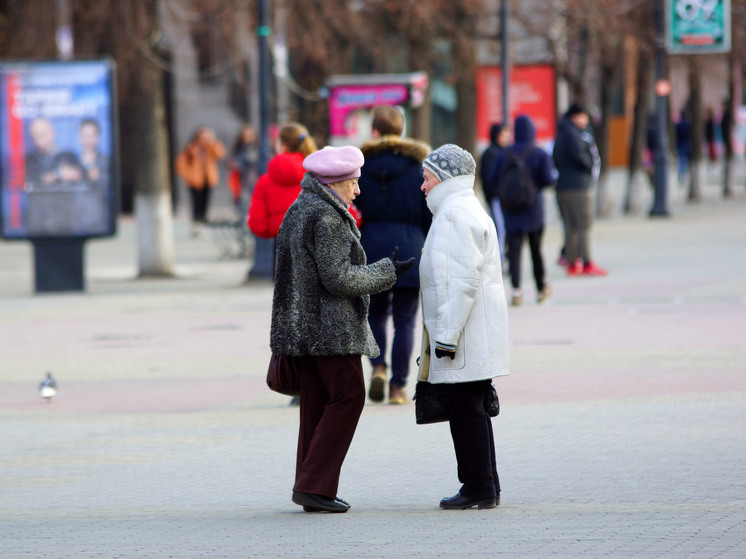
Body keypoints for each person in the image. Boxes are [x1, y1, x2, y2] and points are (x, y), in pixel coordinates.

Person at [271, 145, 414, 513]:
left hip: (302, 326)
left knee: (316, 407)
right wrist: (386, 272)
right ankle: (313, 485)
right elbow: (338, 279)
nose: (357, 190)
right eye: (353, 183)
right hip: (330, 328)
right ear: (335, 183)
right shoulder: (328, 217)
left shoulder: (300, 207)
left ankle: (311, 487)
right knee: (349, 396)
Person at [419, 144, 510, 510]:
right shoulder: (463, 208)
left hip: (464, 333)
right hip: (473, 330)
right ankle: (486, 484)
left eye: (426, 179)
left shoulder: (454, 214)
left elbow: (458, 282)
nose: (422, 187)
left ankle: (477, 486)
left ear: (442, 178)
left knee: (465, 410)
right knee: (473, 407)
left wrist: (445, 337)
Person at [356, 105, 431, 405]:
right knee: (405, 321)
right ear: (401, 130)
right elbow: (428, 214)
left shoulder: (360, 168)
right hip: (410, 249)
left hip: (371, 248)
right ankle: (399, 387)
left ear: (374, 130)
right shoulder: (417, 168)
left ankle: (378, 368)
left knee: (374, 314)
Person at [490, 115, 556, 306]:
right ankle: (541, 287)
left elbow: (493, 179)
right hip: (533, 209)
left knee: (514, 251)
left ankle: (517, 291)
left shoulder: (505, 154)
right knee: (536, 250)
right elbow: (549, 180)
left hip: (510, 210)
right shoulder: (540, 153)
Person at [552, 104, 607, 276]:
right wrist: (588, 165)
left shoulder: (561, 133)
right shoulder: (574, 135)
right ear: (575, 116)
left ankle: (572, 262)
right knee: (583, 225)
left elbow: (555, 158)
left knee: (570, 226)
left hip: (563, 185)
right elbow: (580, 156)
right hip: (578, 186)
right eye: (584, 116)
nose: (586, 121)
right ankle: (587, 262)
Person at [247, 122, 317, 240]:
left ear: (283, 146)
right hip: (315, 244)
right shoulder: (319, 174)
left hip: (281, 243)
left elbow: (258, 224)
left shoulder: (265, 181)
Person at [175, 126, 226, 236]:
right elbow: (180, 164)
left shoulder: (209, 147)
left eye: (205, 136)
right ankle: (195, 224)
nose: (203, 139)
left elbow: (220, 154)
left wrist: (213, 141)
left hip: (208, 179)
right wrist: (188, 176)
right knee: (196, 202)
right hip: (194, 181)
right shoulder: (190, 148)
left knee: (205, 203)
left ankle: (203, 222)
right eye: (201, 136)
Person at [480, 122, 511, 267]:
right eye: (503, 134)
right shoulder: (490, 153)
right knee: (500, 228)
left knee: (505, 228)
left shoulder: (507, 151)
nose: (506, 137)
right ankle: (499, 259)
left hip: (507, 198)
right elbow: (488, 179)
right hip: (497, 198)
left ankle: (504, 257)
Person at [25, 117, 83, 190]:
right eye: (36, 136)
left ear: (53, 133)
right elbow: (31, 181)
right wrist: (57, 174)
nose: (41, 140)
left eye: (43, 134)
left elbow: (78, 176)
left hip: (65, 199)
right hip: (40, 199)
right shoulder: (30, 160)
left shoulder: (68, 156)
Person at [229, 123, 258, 209]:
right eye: (245, 135)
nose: (247, 137)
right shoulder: (238, 146)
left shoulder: (256, 146)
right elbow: (230, 158)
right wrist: (232, 163)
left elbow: (253, 160)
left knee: (251, 199)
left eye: (249, 135)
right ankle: (243, 217)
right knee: (239, 199)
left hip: (253, 177)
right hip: (240, 177)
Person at [78, 119, 109, 190]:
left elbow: (104, 185)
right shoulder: (73, 160)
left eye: (91, 136)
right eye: (85, 136)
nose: (88, 140)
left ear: (98, 137)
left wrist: (89, 165)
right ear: (79, 137)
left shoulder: (106, 161)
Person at [675, 108, 692, 182]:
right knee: (688, 161)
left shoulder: (678, 125)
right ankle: (687, 174)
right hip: (687, 144)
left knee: (681, 161)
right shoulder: (689, 125)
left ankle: (682, 176)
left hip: (680, 145)